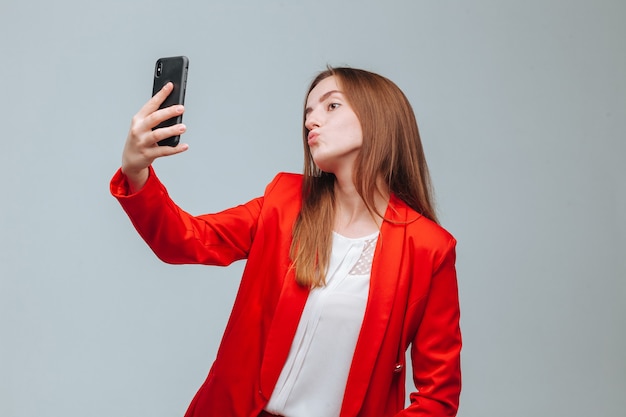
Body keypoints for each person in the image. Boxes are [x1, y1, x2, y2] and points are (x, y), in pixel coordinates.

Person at [110, 66, 462, 417]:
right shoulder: (284, 201)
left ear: (378, 118)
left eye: (331, 106)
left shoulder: (429, 249)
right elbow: (185, 240)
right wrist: (136, 171)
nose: (312, 121)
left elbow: (438, 398)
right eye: (308, 112)